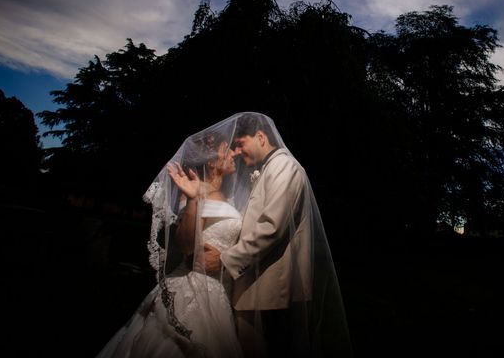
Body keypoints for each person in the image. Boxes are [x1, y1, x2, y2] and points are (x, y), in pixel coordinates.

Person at [202, 112, 353, 358]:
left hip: (271, 290)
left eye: (240, 143)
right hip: (259, 283)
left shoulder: (284, 166)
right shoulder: (272, 167)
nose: (237, 151)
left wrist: (223, 260)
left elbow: (271, 227)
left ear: (261, 137)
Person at [95, 121, 244, 358]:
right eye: (228, 149)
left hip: (221, 291)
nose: (235, 153)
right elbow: (186, 245)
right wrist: (195, 199)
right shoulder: (194, 189)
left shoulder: (231, 197)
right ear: (211, 160)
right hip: (191, 288)